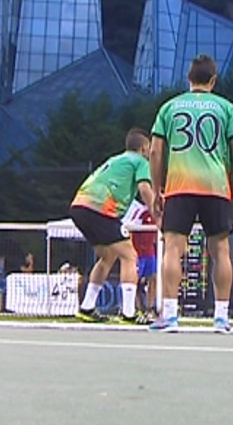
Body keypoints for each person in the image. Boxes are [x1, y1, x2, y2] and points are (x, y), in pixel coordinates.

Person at [148, 54, 233, 333]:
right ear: (213, 80)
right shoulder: (226, 108)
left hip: (180, 185)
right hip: (216, 186)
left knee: (173, 249)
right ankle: (221, 317)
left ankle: (169, 315)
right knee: (220, 251)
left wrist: (158, 188)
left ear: (188, 79)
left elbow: (156, 151)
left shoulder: (170, 107)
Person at [69, 128, 156, 324]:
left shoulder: (116, 160)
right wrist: (158, 214)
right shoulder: (140, 162)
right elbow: (144, 189)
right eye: (149, 149)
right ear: (144, 148)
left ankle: (87, 307)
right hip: (100, 210)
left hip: (79, 207)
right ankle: (128, 313)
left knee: (108, 256)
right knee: (129, 255)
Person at [122, 200, 159, 322]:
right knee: (135, 281)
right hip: (138, 253)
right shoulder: (140, 212)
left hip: (150, 253)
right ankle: (137, 307)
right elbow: (131, 229)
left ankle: (150, 308)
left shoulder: (159, 214)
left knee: (153, 278)